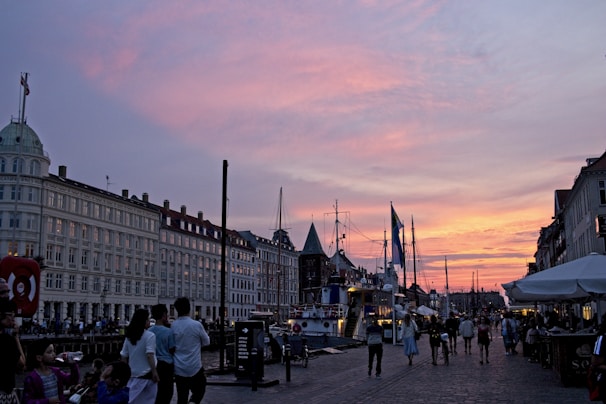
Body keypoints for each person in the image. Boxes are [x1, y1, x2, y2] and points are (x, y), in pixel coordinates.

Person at [172, 297, 210, 404]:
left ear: (177, 310)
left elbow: (171, 345)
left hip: (179, 367)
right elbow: (207, 342)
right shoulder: (196, 325)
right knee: (200, 389)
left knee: (181, 396)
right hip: (194, 366)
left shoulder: (173, 326)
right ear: (189, 309)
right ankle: (193, 401)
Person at [22, 337, 80, 404]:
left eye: (53, 351)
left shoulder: (56, 372)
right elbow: (27, 401)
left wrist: (73, 365)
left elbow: (73, 380)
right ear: (39, 358)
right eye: (50, 352)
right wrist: (47, 401)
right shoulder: (31, 378)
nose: (54, 354)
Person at [119, 308, 159, 404]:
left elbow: (124, 356)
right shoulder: (150, 336)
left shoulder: (129, 337)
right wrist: (154, 372)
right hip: (147, 375)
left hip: (133, 376)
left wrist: (125, 373)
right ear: (144, 321)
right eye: (148, 319)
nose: (149, 321)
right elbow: (150, 355)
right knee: (148, 400)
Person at [148, 304, 175, 404]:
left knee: (156, 393)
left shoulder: (149, 331)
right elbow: (172, 349)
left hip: (153, 365)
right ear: (164, 315)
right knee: (167, 393)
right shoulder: (169, 332)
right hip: (166, 365)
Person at [0, 299, 26, 404]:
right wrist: (16, 337)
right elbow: (22, 364)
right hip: (4, 394)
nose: (13, 318)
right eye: (10, 314)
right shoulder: (7, 340)